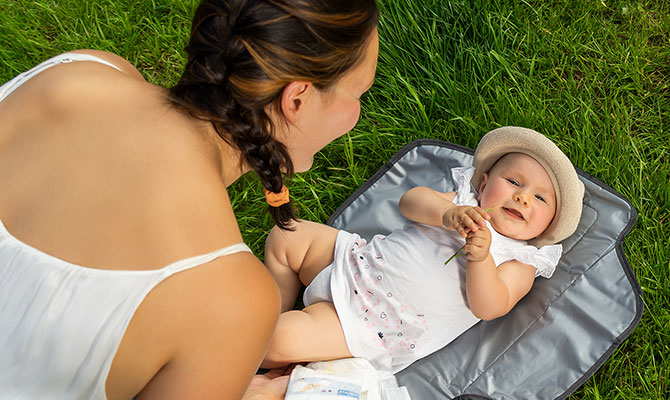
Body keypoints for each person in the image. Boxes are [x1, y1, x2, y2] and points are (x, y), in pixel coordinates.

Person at [0, 0, 379, 398]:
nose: (357, 113)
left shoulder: (78, 70)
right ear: (296, 99)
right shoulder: (229, 300)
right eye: (359, 93)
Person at [262, 126, 585, 373]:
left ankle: (275, 340)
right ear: (483, 184)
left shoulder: (522, 259)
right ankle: (276, 306)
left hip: (377, 322)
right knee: (286, 236)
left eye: (541, 198)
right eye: (514, 182)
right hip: (357, 261)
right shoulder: (462, 203)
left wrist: (481, 258)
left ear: (549, 224)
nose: (523, 197)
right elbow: (410, 202)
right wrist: (447, 215)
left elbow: (490, 306)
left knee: (273, 340)